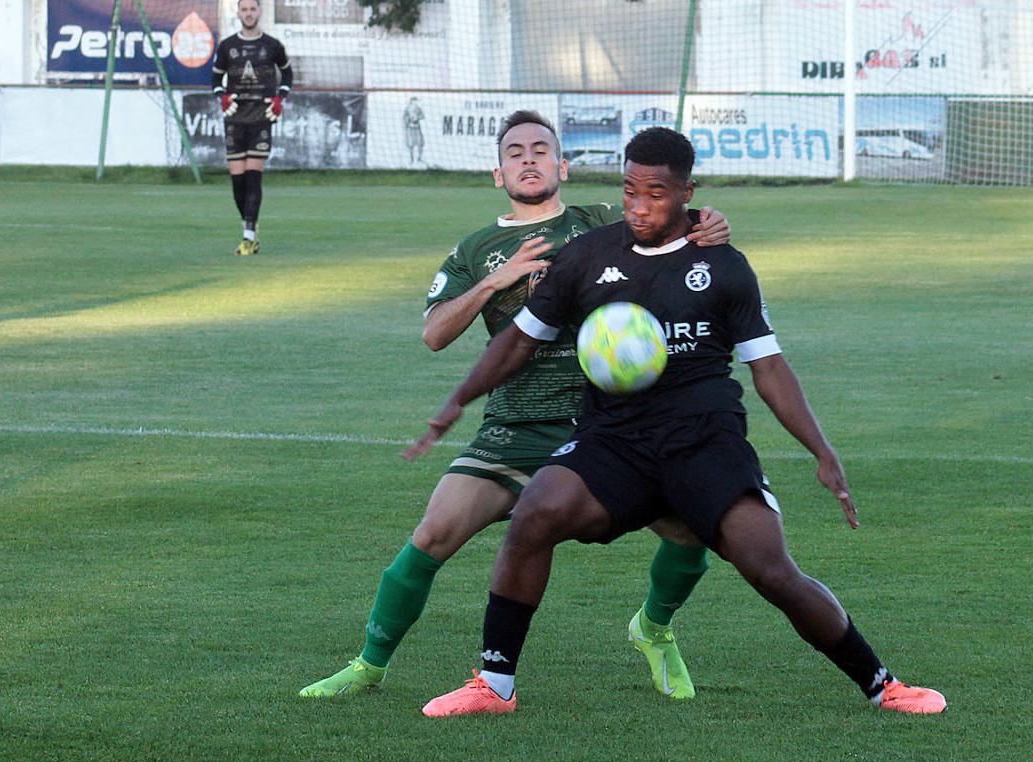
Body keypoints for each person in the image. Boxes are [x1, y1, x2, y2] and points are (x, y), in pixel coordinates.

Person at [407, 127, 947, 717]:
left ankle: (882, 684)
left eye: (656, 193)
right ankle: (495, 684)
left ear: (687, 192)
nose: (639, 206)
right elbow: (516, 342)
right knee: (535, 514)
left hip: (705, 443)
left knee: (770, 569)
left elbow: (768, 368)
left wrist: (822, 450)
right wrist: (457, 400)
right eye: (630, 191)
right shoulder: (587, 256)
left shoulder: (723, 265)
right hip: (613, 441)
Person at [298, 112, 733, 701]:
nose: (528, 159)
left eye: (540, 150)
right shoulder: (477, 248)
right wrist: (491, 283)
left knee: (691, 533)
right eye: (515, 152)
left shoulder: (603, 223)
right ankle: (368, 665)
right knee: (432, 536)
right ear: (497, 173)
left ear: (563, 166)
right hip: (515, 427)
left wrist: (711, 224)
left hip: (611, 427)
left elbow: (682, 224)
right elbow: (434, 334)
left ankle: (653, 629)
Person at [211, 0, 292, 256]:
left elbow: (287, 74)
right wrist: (221, 95)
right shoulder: (227, 46)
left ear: (260, 12)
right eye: (244, 9)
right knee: (238, 180)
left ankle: (248, 237)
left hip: (261, 115)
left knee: (254, 175)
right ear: (238, 13)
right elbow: (215, 76)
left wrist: (280, 97)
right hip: (235, 116)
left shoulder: (273, 45)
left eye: (252, 9)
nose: (248, 13)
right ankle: (249, 222)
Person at [403, 97, 425, 165]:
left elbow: (422, 116)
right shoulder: (407, 108)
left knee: (420, 144)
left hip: (417, 128)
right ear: (412, 101)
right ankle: (411, 159)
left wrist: (417, 118)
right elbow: (404, 118)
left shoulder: (418, 108)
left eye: (416, 101)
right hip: (410, 128)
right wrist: (409, 120)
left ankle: (419, 158)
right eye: (414, 101)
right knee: (410, 145)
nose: (416, 102)